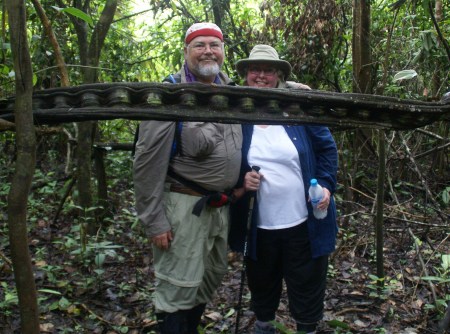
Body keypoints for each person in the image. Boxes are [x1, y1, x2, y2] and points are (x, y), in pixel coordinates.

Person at [133, 23, 242, 334]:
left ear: (223, 52)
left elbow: (270, 94)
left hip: (219, 210)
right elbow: (146, 163)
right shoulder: (169, 95)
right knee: (178, 287)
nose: (208, 50)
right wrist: (154, 221)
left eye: (214, 45)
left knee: (208, 279)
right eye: (199, 45)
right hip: (183, 206)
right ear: (186, 51)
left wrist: (295, 88)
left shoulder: (232, 92)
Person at [230, 44, 339, 334]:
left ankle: (307, 328)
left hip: (304, 220)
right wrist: (243, 180)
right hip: (260, 224)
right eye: (255, 70)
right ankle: (264, 325)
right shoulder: (239, 113)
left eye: (269, 70)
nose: (261, 76)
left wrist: (327, 185)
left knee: (307, 280)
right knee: (262, 279)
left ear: (279, 74)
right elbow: (227, 157)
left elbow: (327, 149)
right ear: (246, 74)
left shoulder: (298, 107)